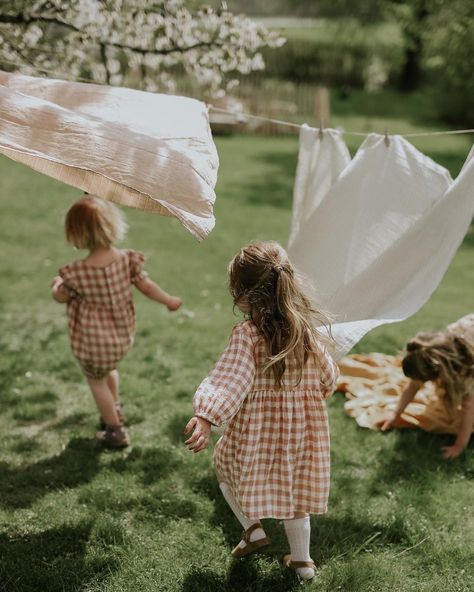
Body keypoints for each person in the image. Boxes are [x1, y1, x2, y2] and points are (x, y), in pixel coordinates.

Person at [183, 241, 339, 580]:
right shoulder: (306, 333)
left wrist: (207, 416)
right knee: (295, 491)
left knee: (228, 471)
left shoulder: (249, 335)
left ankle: (253, 530)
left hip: (256, 434)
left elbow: (229, 379)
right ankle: (302, 563)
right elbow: (330, 375)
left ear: (242, 294)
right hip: (300, 434)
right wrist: (317, 393)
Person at [51, 195, 182, 448]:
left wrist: (56, 285)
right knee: (109, 370)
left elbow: (60, 297)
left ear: (77, 233)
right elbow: (146, 286)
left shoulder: (77, 272)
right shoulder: (126, 260)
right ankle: (115, 408)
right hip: (122, 337)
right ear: (112, 224)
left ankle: (115, 429)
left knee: (95, 380)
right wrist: (169, 300)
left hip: (93, 342)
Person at [375, 315, 474, 459]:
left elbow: (469, 407)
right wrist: (394, 414)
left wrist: (459, 446)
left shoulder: (467, 368)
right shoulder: (431, 351)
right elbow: (412, 387)